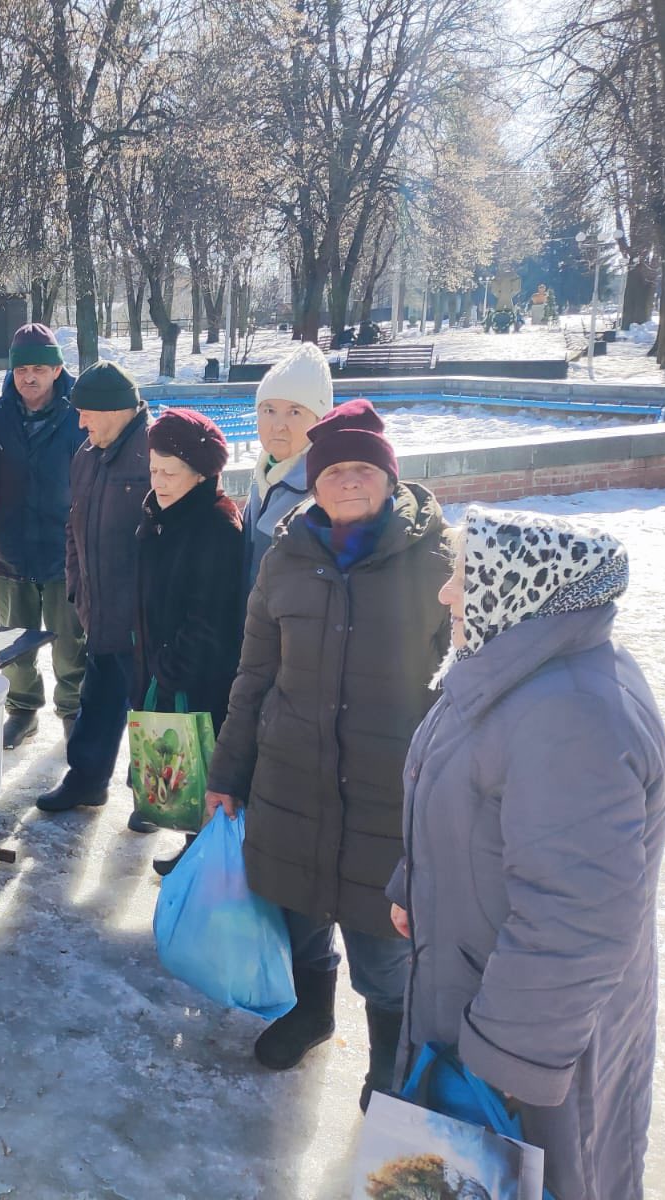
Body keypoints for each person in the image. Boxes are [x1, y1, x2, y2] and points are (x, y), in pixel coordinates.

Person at [390, 507, 665, 1200]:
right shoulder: (513, 672)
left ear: (521, 587)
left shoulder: (569, 713)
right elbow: (462, 800)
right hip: (478, 991)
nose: (446, 594)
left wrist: (504, 1063)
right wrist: (413, 883)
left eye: (462, 577)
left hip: (527, 1047)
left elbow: (578, 920)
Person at [204, 399, 451, 1108]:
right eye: (334, 470)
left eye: (363, 469)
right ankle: (311, 1012)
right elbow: (253, 675)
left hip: (389, 789)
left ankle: (388, 1064)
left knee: (386, 945)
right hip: (293, 779)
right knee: (300, 913)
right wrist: (228, 773)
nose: (348, 481)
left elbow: (467, 680)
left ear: (388, 477)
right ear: (313, 482)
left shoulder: (437, 557)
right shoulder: (286, 556)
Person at [37, 361, 150, 813]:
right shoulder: (86, 454)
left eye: (87, 412)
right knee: (97, 702)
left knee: (149, 713)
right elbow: (73, 527)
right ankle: (87, 780)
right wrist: (77, 591)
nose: (80, 422)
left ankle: (150, 798)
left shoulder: (154, 453)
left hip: (143, 619)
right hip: (99, 612)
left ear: (117, 409)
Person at [132, 409, 243, 869]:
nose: (158, 480)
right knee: (184, 770)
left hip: (197, 680)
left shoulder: (215, 527)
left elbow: (210, 618)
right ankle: (197, 850)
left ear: (201, 474)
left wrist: (169, 666)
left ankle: (209, 862)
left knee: (202, 767)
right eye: (154, 469)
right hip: (162, 664)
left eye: (170, 472)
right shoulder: (163, 513)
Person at [0, 323, 85, 750]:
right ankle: (22, 711)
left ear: (57, 370)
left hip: (64, 553)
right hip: (12, 552)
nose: (29, 378)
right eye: (22, 370)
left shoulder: (80, 414)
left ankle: (73, 712)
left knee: (70, 643)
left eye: (39, 368)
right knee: (15, 644)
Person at [243, 342, 331, 592]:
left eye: (294, 412)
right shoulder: (264, 476)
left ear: (318, 420)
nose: (278, 425)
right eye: (269, 410)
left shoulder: (321, 491)